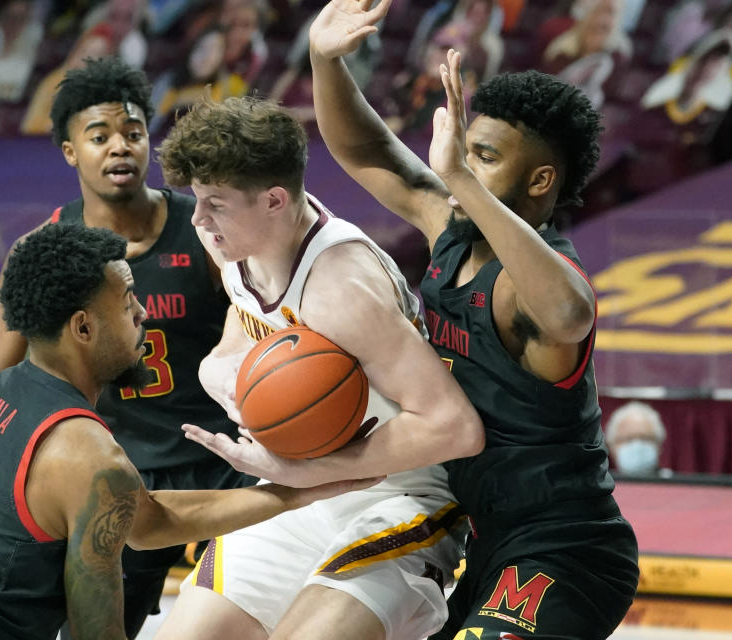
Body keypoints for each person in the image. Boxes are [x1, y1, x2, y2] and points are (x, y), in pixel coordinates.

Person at [0, 224, 373, 640]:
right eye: (126, 303)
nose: (144, 313)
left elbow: (147, 520)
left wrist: (290, 494)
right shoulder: (89, 457)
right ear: (82, 327)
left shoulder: (6, 389)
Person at [299, 2, 639, 638]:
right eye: (463, 148)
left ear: (540, 181)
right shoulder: (451, 229)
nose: (457, 160)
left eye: (482, 155)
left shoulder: (533, 282)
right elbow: (369, 149)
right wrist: (325, 60)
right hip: (486, 540)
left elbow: (571, 314)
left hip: (566, 549)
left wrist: (459, 175)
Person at [154, 95, 484, 640]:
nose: (197, 218)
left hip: (396, 498)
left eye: (213, 202)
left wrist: (309, 472)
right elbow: (245, 321)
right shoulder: (237, 240)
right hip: (300, 492)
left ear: (275, 200)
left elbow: (455, 428)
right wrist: (219, 368)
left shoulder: (341, 287)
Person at [0, 56, 254, 638]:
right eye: (98, 136)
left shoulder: (204, 229)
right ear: (71, 151)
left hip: (225, 461)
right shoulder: (45, 249)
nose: (119, 147)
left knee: (259, 614)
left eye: (132, 133)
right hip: (121, 471)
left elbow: (266, 333)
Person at [605, 401, 672, 477]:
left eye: (645, 438)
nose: (637, 445)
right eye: (628, 439)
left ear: (660, 446)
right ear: (611, 446)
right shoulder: (598, 485)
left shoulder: (676, 485)